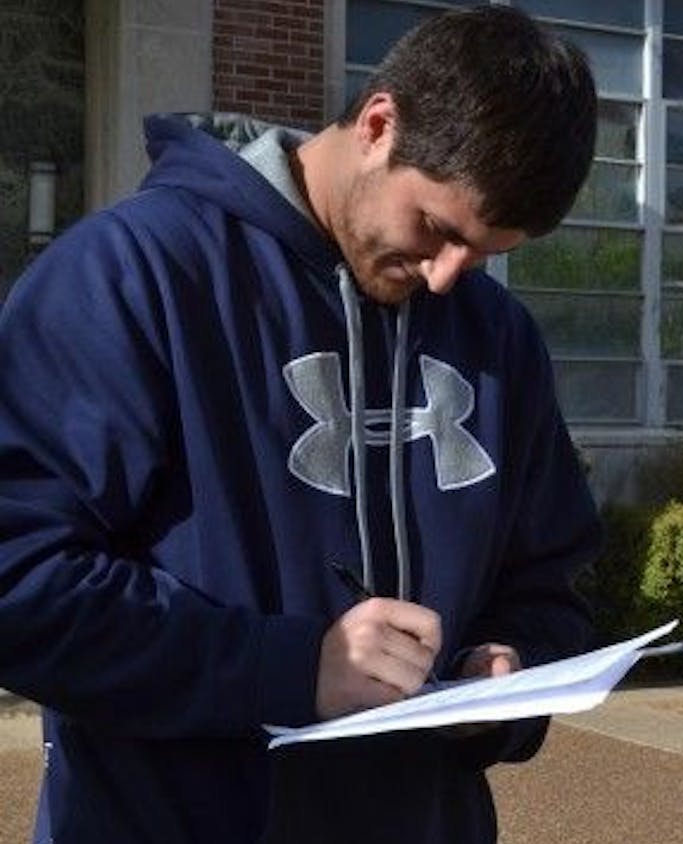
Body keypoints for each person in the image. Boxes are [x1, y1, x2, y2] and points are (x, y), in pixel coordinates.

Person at [0, 7, 600, 843]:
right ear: (379, 123)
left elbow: (552, 581)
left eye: (487, 253)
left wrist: (502, 670)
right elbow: (20, 582)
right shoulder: (130, 277)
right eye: (436, 229)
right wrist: (288, 670)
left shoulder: (498, 336)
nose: (447, 278)